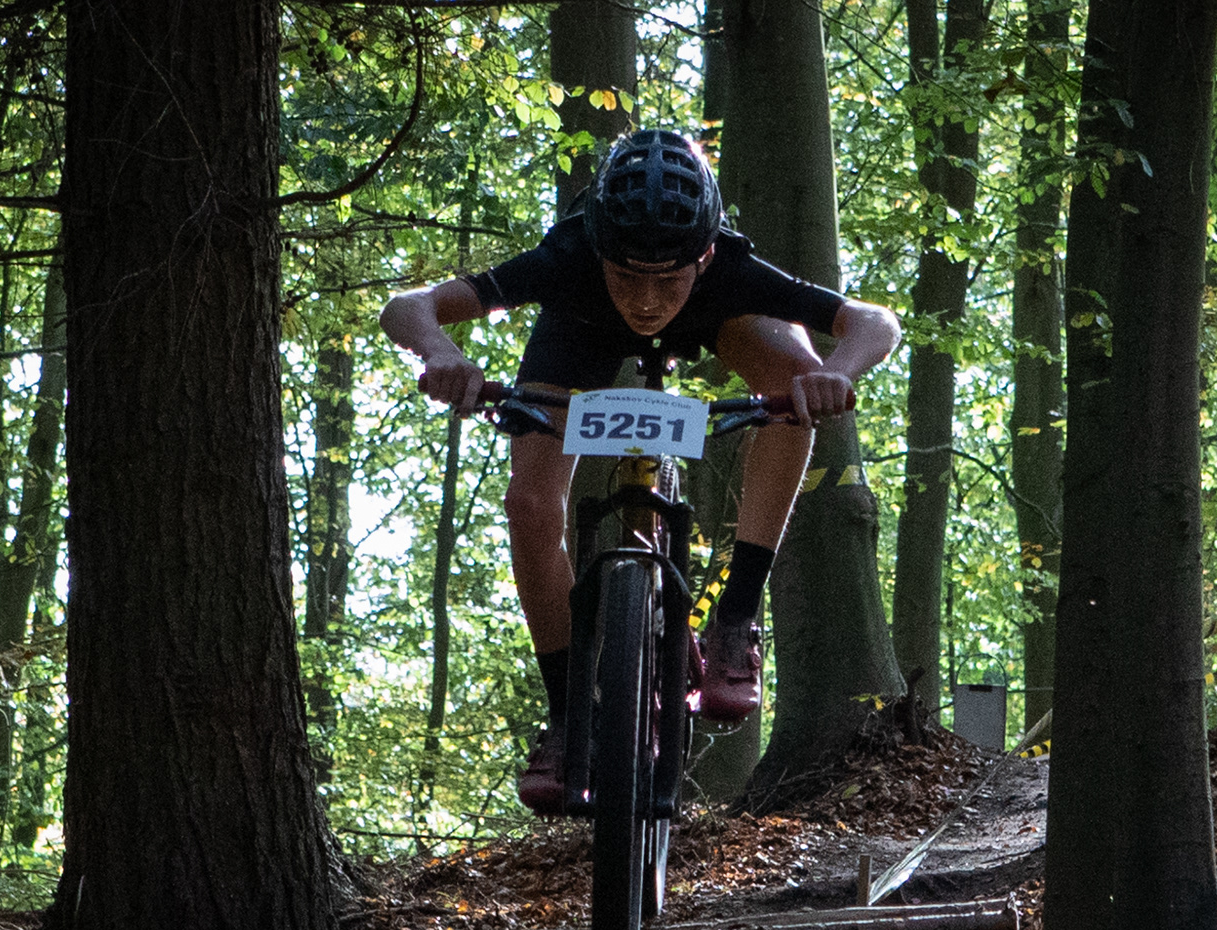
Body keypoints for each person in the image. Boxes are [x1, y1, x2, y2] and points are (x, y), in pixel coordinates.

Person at [381, 129, 899, 813]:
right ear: (599, 250)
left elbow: (873, 322)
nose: (647, 299)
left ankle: (736, 618)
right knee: (528, 505)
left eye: (668, 278)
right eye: (627, 276)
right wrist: (441, 353)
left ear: (705, 255)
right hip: (578, 333)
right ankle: (569, 717)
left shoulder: (729, 268)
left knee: (795, 380)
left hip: (715, 320)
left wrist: (836, 374)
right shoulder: (567, 257)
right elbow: (407, 307)